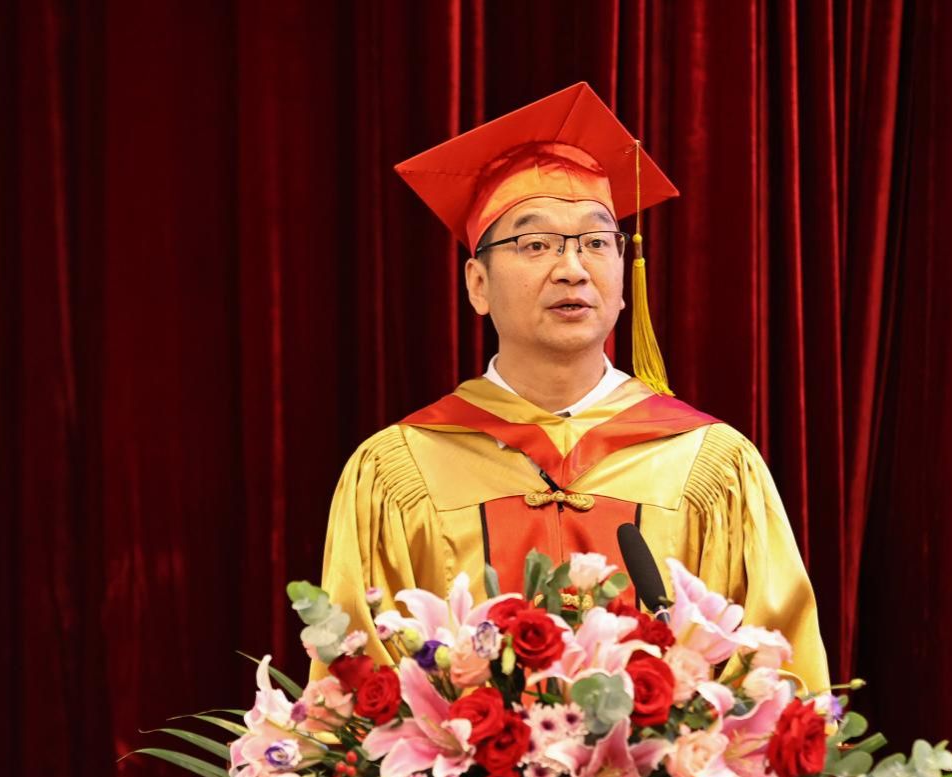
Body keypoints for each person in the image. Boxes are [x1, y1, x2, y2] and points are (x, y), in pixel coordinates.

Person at [313, 83, 829, 692]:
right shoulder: (400, 471)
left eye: (595, 243)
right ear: (477, 284)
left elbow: (779, 684)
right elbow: (354, 697)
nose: (573, 269)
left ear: (623, 272)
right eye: (535, 244)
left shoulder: (709, 465)